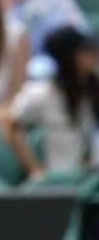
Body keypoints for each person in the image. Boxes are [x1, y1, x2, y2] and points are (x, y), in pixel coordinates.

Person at [14, 24, 99, 179]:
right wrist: (35, 169)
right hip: (62, 177)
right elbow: (10, 124)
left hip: (93, 176)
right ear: (70, 57)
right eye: (86, 51)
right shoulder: (42, 94)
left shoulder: (93, 88)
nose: (94, 55)